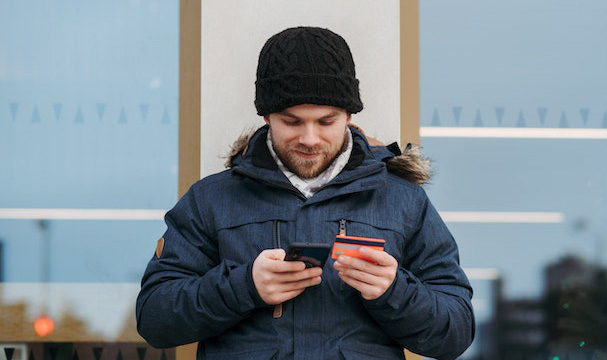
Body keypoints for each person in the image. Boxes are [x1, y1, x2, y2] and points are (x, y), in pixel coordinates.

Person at [136, 26, 474, 360]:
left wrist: (394, 291)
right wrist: (243, 286)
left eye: (326, 121)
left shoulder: (404, 201)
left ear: (349, 115)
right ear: (267, 116)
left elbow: (455, 334)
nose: (310, 138)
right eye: (293, 122)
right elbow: (155, 319)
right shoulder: (210, 199)